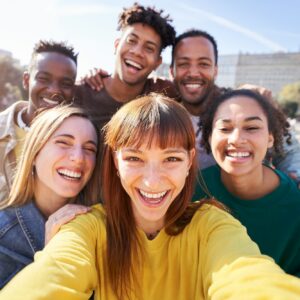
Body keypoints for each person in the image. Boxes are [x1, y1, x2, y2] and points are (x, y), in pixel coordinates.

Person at [2, 93, 300, 300]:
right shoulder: (88, 228)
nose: (152, 180)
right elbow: (52, 278)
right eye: (134, 158)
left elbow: (250, 277)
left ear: (189, 163)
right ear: (115, 162)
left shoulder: (213, 225)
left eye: (171, 159)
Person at [170, 29, 300, 184]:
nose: (193, 73)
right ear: (172, 71)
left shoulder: (244, 105)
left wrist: (295, 177)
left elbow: (289, 150)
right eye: (183, 64)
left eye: (204, 64)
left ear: (215, 70)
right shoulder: (163, 114)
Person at [193, 89, 300, 277]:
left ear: (270, 138)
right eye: (225, 129)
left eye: (251, 128)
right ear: (210, 138)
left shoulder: (294, 207)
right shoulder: (190, 190)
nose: (236, 139)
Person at [0, 105, 102, 288]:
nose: (79, 157)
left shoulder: (101, 226)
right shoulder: (3, 236)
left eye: (89, 149)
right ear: (35, 152)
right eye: (63, 143)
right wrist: (50, 259)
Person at [75, 2, 176, 139]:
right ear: (117, 45)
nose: (137, 52)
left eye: (149, 48)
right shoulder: (80, 93)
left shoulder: (163, 92)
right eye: (131, 40)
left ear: (158, 62)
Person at [0, 40, 78, 202]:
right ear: (27, 80)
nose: (54, 90)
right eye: (44, 79)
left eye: (65, 83)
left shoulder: (79, 141)